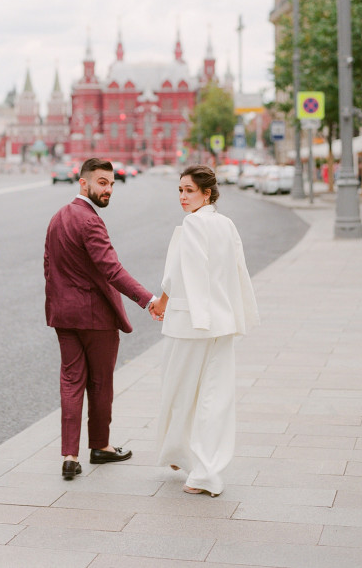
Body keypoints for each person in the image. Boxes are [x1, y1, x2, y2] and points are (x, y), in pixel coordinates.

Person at [44, 157, 157, 480]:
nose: (108, 190)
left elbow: (48, 267)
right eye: (102, 183)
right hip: (95, 318)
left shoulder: (58, 218)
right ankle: (101, 447)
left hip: (63, 316)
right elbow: (112, 270)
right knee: (100, 383)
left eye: (111, 184)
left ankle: (69, 455)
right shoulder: (89, 221)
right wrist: (148, 299)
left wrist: (57, 305)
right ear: (83, 183)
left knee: (71, 382)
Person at [150, 164, 259, 497]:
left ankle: (186, 459)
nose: (183, 197)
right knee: (216, 397)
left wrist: (162, 302)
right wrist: (237, 314)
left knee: (180, 393)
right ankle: (204, 469)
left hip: (190, 323)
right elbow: (237, 271)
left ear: (206, 193)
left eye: (189, 190)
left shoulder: (192, 224)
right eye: (180, 190)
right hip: (221, 323)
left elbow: (180, 273)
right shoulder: (225, 224)